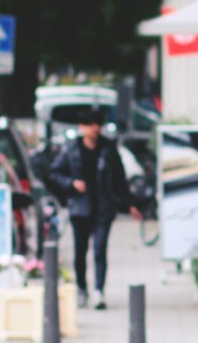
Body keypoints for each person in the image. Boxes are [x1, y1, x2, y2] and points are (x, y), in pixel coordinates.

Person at [49, 109, 140, 309]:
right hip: (80, 208)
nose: (95, 129)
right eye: (90, 125)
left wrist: (130, 203)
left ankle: (99, 291)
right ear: (82, 128)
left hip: (103, 208)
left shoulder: (108, 149)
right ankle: (82, 289)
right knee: (80, 251)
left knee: (100, 249)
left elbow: (119, 179)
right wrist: (71, 183)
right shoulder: (71, 149)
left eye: (97, 124)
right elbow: (55, 173)